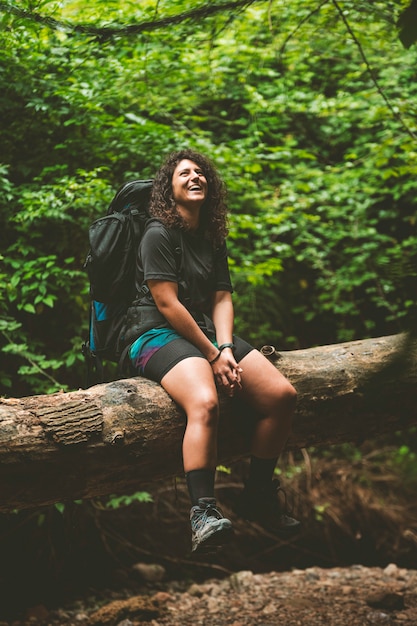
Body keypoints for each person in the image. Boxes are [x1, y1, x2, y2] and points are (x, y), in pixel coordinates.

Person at [126, 149, 300, 553]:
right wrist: (212, 354)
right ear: (168, 189)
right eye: (184, 173)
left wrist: (224, 346)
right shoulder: (158, 233)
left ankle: (257, 496)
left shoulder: (210, 236)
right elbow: (167, 303)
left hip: (200, 332)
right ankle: (203, 514)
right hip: (150, 331)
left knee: (282, 396)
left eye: (200, 172)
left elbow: (222, 297)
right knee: (205, 402)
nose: (195, 176)